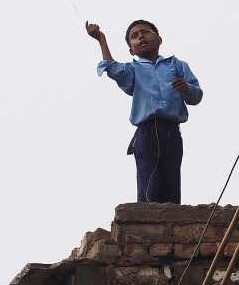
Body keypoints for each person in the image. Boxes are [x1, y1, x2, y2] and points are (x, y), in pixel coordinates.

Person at [86, 19, 202, 204]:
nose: (140, 36)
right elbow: (114, 70)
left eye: (145, 32)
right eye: (134, 36)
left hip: (172, 132)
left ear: (159, 39)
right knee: (149, 184)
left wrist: (186, 88)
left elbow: (196, 97)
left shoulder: (177, 65)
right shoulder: (133, 69)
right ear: (132, 50)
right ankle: (148, 226)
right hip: (146, 132)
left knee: (171, 184)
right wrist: (101, 39)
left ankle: (170, 226)